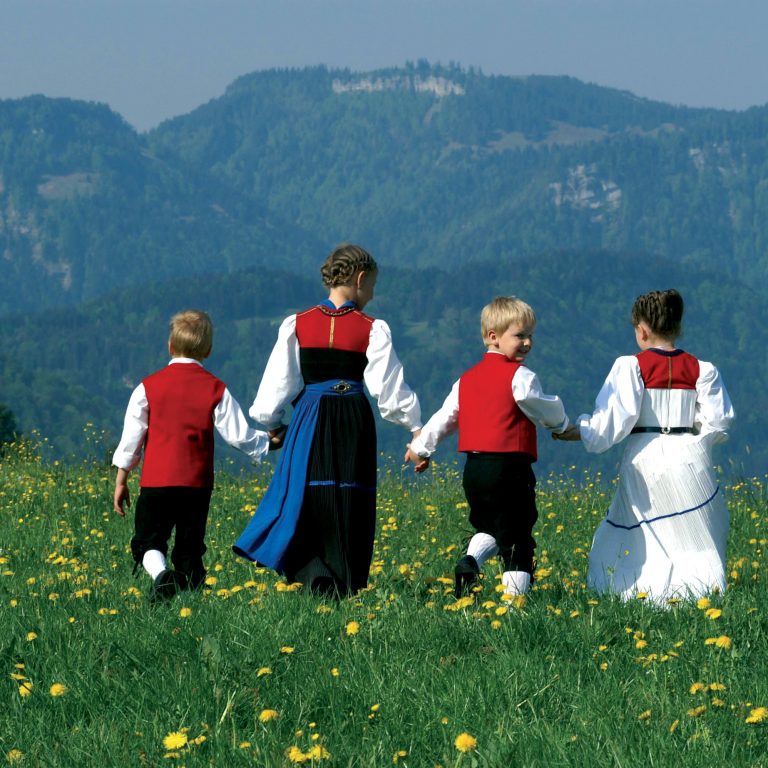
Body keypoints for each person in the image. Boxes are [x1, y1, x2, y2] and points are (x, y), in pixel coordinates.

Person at [233, 244, 422, 596]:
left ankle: (313, 574)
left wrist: (272, 423)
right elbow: (388, 388)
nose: (372, 294)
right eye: (372, 286)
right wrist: (415, 427)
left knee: (307, 493)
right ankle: (347, 581)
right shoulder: (372, 328)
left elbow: (278, 382)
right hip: (352, 414)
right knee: (351, 494)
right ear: (360, 279)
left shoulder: (298, 324)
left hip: (310, 415)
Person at [556, 289, 734, 604]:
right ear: (678, 325)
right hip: (689, 455)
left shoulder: (631, 367)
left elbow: (611, 423)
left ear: (641, 330)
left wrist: (580, 429)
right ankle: (701, 594)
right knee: (692, 535)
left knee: (640, 531)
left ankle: (636, 593)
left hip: (644, 455)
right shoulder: (703, 370)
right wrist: (694, 440)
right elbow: (718, 424)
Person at [405, 296, 569, 598]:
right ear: (493, 337)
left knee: (489, 525)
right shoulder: (521, 376)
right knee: (518, 535)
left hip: (475, 470)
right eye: (519, 335)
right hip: (510, 468)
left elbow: (445, 418)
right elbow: (543, 408)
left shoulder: (465, 380)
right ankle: (515, 606)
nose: (528, 343)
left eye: (530, 335)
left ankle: (470, 560)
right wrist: (562, 425)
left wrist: (421, 449)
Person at [113, 309, 276, 601]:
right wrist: (268, 442)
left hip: (157, 481)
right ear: (208, 351)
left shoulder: (147, 387)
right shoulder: (215, 388)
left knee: (148, 540)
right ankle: (192, 591)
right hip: (196, 484)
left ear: (170, 346)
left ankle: (161, 576)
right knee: (189, 544)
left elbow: (131, 438)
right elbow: (238, 435)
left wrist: (121, 478)